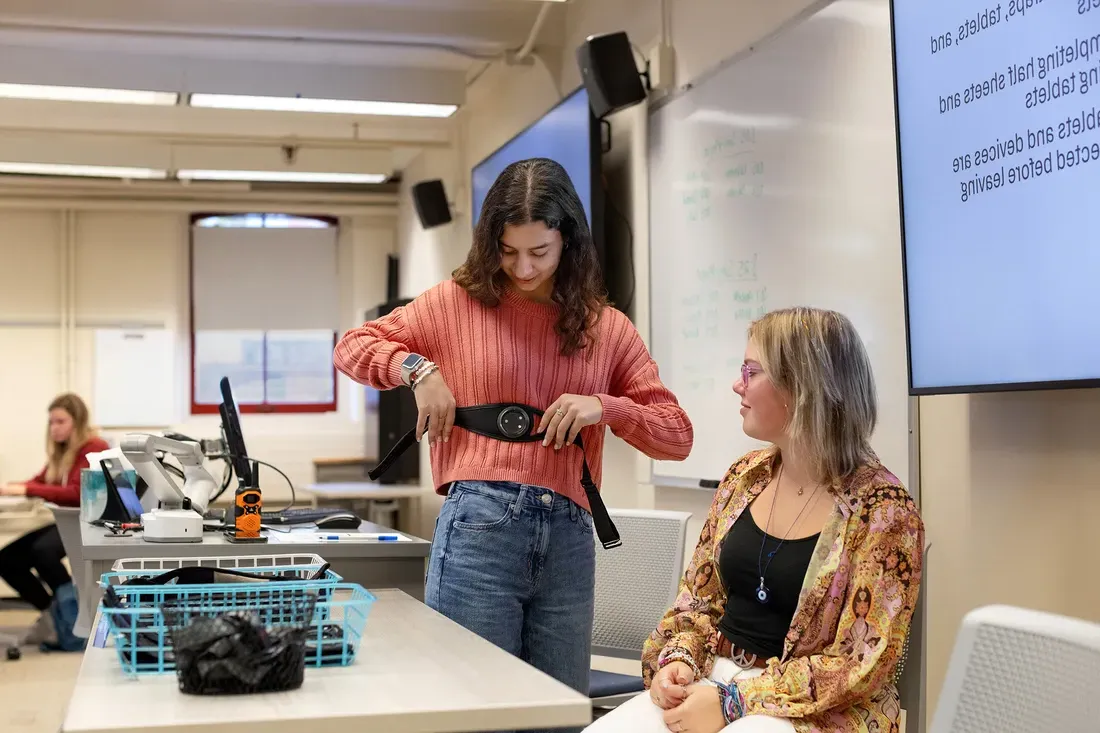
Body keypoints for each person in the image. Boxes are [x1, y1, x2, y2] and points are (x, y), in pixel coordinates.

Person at [334, 157, 693, 730]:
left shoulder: (608, 327)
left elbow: (676, 434)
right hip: (481, 526)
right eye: (507, 250)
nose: (522, 268)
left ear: (568, 241)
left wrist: (606, 406)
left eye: (539, 252)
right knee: (471, 713)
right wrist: (416, 369)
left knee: (556, 719)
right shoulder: (455, 303)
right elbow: (353, 346)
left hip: (571, 539)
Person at [585, 308, 924, 733]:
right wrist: (680, 660)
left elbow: (859, 665)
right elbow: (698, 602)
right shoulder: (744, 477)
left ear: (802, 387)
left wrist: (734, 702)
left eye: (751, 371)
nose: (736, 384)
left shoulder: (884, 511)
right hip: (715, 677)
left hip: (811, 710)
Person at [0, 393, 108, 612]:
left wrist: (26, 489)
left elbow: (76, 493)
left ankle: (76, 611)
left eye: (60, 421)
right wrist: (11, 488)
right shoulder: (63, 452)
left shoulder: (94, 447)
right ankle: (53, 613)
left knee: (44, 552)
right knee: (6, 560)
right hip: (67, 519)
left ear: (77, 422)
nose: (54, 428)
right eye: (51, 422)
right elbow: (42, 480)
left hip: (89, 522)